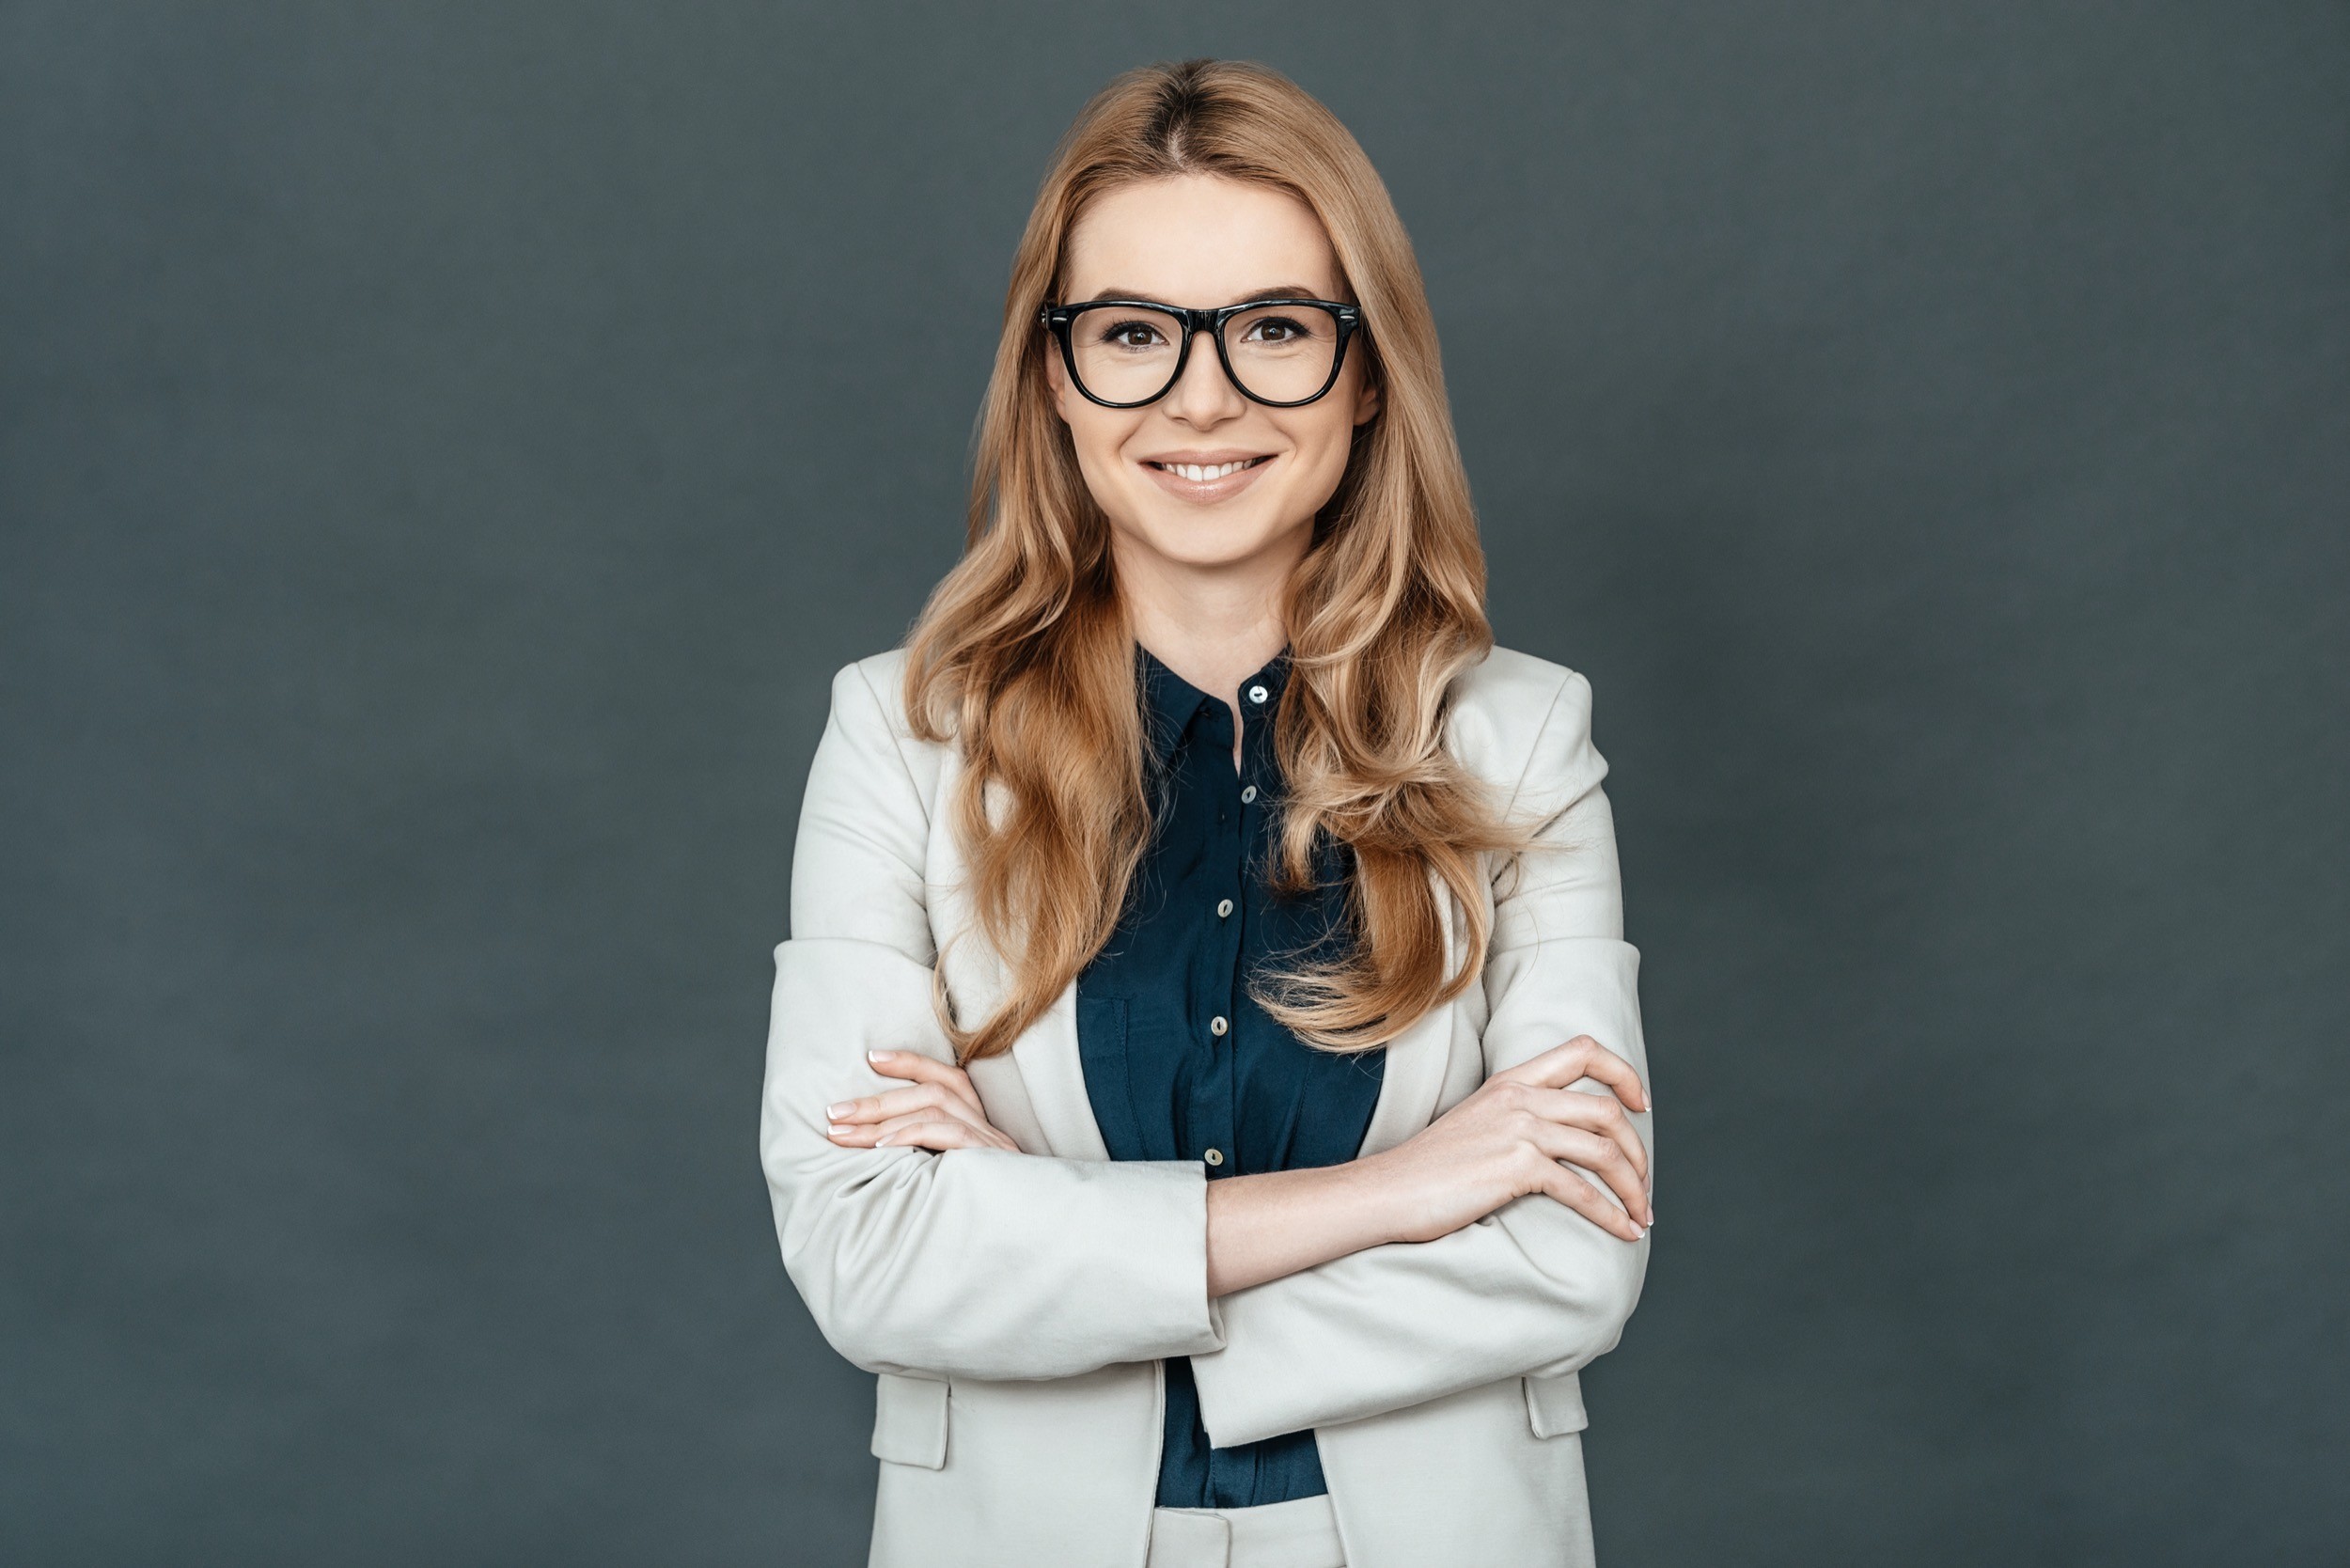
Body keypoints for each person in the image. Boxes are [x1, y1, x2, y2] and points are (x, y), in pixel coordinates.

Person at [760, 57, 1654, 1568]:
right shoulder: (899, 738)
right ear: (1055, 374)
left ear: (1367, 373)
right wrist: (1408, 1191)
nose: (1203, 395)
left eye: (1275, 331)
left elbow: (1573, 1253)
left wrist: (1048, 1238)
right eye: (1131, 334)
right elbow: (873, 1255)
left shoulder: (1521, 740)